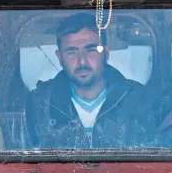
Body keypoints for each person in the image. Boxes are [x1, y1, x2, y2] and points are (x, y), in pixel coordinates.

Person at [26, 13, 150, 149]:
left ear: (106, 53)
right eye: (71, 52)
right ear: (60, 57)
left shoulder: (137, 98)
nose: (82, 61)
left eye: (91, 50)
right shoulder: (40, 102)